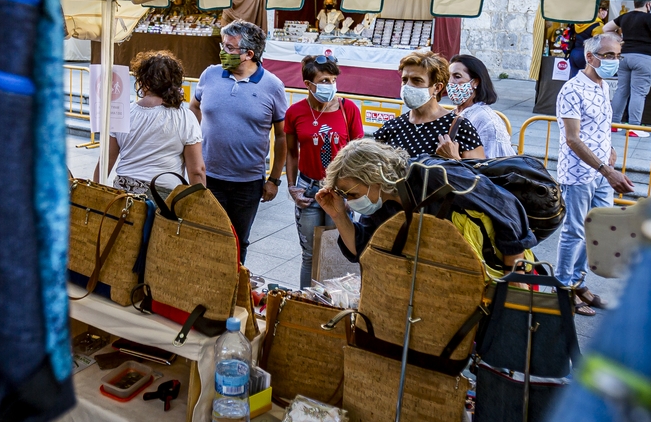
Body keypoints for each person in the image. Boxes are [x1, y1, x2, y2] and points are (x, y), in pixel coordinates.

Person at [315, 139, 537, 274]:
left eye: (352, 193)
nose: (351, 200)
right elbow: (361, 251)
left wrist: (513, 276)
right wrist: (338, 215)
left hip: (497, 271)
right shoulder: (382, 204)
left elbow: (507, 209)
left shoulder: (436, 175)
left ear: (374, 177)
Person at [189, 20, 288, 263]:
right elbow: (194, 108)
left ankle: (232, 289)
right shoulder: (210, 74)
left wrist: (274, 179)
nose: (223, 52)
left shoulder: (273, 86)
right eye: (223, 46)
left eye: (229, 48)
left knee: (237, 240)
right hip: (208, 176)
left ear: (249, 54)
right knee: (207, 235)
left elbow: (283, 135)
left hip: (248, 183)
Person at [556, 33, 635, 316]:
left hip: (602, 171)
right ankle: (563, 289)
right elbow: (573, 139)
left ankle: (578, 283)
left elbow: (600, 125)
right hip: (579, 172)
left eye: (617, 56)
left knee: (597, 231)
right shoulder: (572, 89)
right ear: (590, 57)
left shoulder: (603, 86)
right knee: (575, 231)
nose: (614, 61)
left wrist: (610, 151)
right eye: (609, 55)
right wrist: (606, 169)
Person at [284, 54, 364, 288]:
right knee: (309, 253)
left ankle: (335, 302)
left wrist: (354, 194)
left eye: (333, 79)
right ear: (308, 84)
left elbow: (358, 154)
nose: (330, 85)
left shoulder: (348, 109)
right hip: (308, 190)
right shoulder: (295, 112)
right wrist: (292, 186)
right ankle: (305, 300)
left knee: (337, 251)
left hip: (339, 191)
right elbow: (291, 152)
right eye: (324, 80)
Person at [94, 50, 204, 200]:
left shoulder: (123, 113)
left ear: (142, 81)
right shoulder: (185, 117)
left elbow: (105, 160)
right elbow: (197, 170)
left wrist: (94, 193)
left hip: (124, 195)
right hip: (164, 196)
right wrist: (201, 203)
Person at [373, 51, 485, 160]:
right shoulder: (391, 128)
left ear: (437, 88)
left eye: (417, 80)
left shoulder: (459, 127)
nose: (408, 86)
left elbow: (479, 175)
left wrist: (454, 159)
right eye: (405, 80)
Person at [603, 0, 651, 136]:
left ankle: (613, 124)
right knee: (638, 92)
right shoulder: (649, 18)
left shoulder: (625, 16)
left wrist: (620, 39)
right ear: (648, 5)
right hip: (644, 57)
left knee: (621, 90)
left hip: (624, 56)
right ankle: (634, 127)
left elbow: (606, 29)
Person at [448, 54, 514, 158]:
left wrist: (454, 158)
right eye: (448, 77)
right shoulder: (453, 113)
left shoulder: (487, 121)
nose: (450, 82)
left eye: (457, 77)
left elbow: (493, 167)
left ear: (475, 82)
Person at [568, 3, 609, 79]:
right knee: (587, 81)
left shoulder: (580, 23)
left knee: (574, 80)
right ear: (600, 10)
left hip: (574, 53)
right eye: (606, 10)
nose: (606, 13)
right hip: (586, 56)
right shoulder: (598, 26)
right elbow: (598, 45)